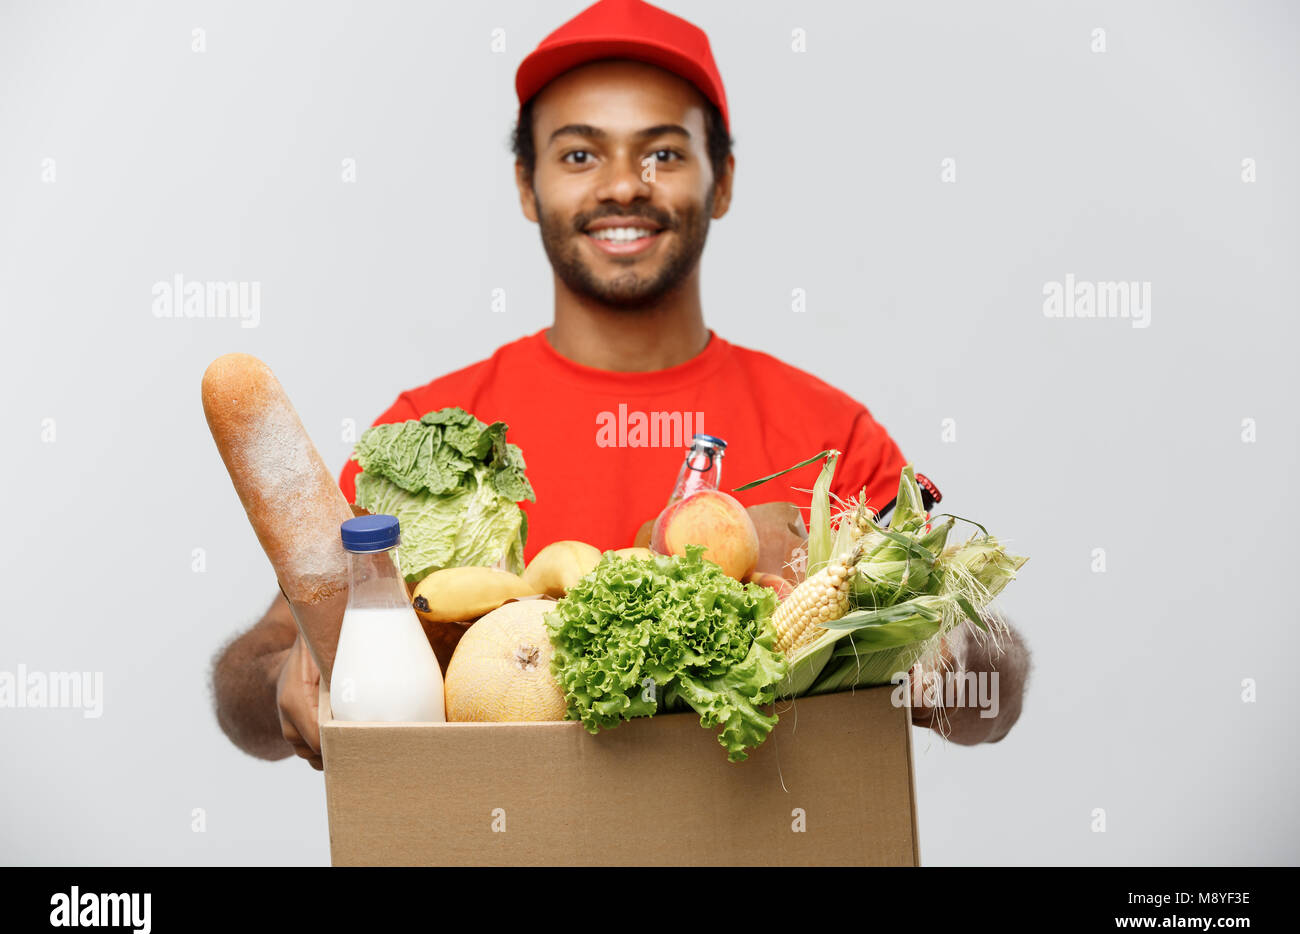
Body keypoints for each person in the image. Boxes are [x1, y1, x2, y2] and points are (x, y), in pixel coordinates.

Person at [211, 0, 1030, 771]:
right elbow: (254, 672)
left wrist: (930, 650)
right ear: (527, 186)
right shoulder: (434, 436)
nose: (624, 184)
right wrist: (285, 682)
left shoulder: (827, 439)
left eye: (664, 153)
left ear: (723, 180)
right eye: (579, 154)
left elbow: (993, 695)